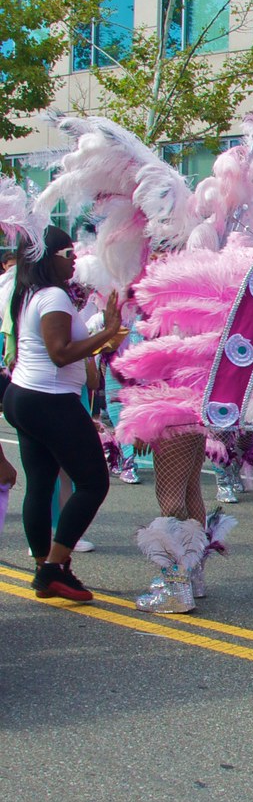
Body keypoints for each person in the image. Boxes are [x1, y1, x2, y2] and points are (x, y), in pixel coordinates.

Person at [3, 226, 123, 602]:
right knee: (93, 483)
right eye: (67, 254)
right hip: (48, 398)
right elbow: (60, 352)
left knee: (39, 485)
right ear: (47, 258)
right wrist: (109, 331)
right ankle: (55, 568)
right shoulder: (53, 296)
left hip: (24, 396)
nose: (74, 261)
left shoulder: (29, 294)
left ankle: (45, 569)